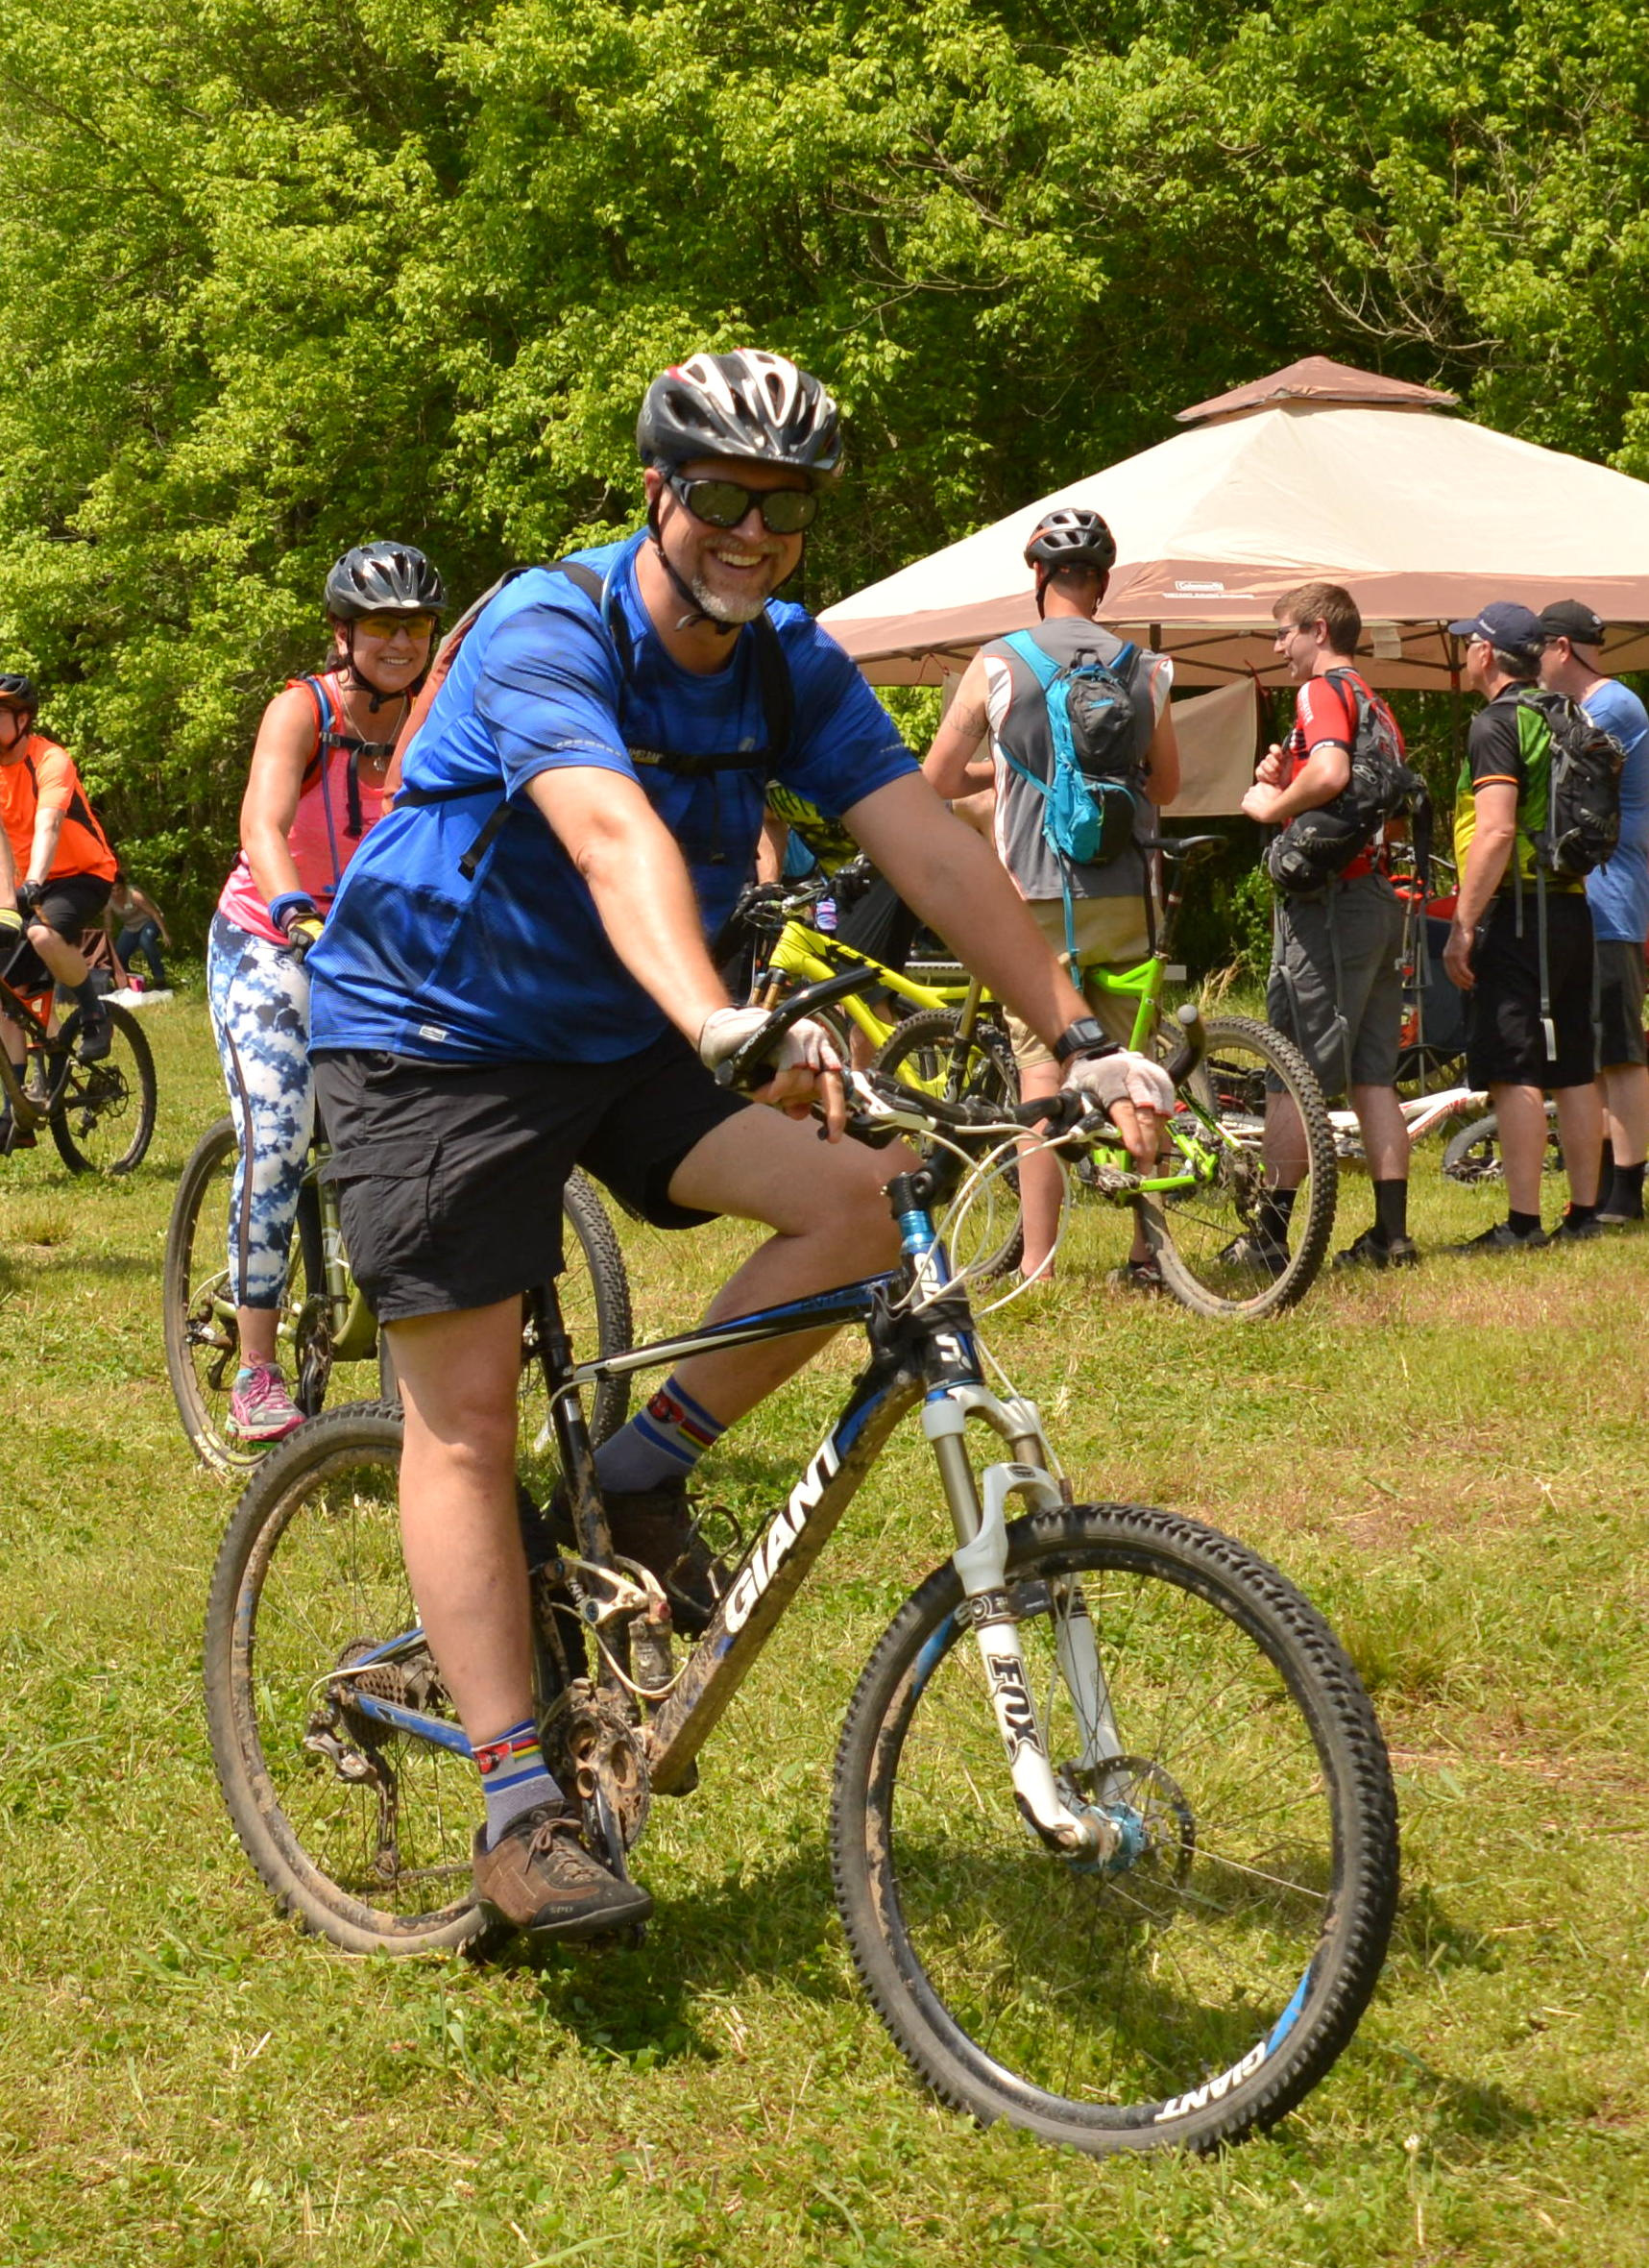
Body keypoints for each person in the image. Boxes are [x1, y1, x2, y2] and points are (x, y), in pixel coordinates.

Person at [304, 349, 1176, 1944]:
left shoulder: (787, 664)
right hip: (434, 1037)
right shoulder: (548, 628)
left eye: (785, 507)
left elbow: (927, 846)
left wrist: (1076, 1032)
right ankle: (516, 1804)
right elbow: (609, 830)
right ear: (659, 490)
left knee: (869, 1201)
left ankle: (643, 1469)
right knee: (467, 1416)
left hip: (625, 1026)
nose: (753, 531)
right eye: (720, 495)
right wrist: (721, 1018)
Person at [206, 543, 445, 1440]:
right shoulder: (300, 709)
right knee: (276, 1139)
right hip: (271, 939)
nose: (401, 642)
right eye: (383, 625)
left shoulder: (432, 712)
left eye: (416, 626)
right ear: (343, 633)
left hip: (378, 948)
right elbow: (262, 824)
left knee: (438, 1130)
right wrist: (294, 910)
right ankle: (256, 1369)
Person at [922, 506, 1179, 1285]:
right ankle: (1149, 1254)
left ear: (1038, 577)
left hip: (1034, 895)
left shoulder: (998, 662)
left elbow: (936, 779)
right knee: (1132, 1067)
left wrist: (1000, 772)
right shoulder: (1146, 667)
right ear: (1102, 584)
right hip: (1128, 894)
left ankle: (1037, 1260)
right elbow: (1166, 785)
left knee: (1040, 1069)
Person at [1242, 583, 1417, 1270]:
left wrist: (1270, 804)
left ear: (1318, 629)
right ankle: (1390, 1236)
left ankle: (1269, 1237)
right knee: (1373, 1075)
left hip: (1331, 906)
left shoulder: (1320, 690)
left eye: (1283, 632)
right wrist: (1288, 773)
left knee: (1292, 1068)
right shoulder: (1374, 702)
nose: (1277, 647)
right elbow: (1374, 800)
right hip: (1378, 896)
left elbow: (1332, 771)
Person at [1442, 601, 1601, 1250]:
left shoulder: (1496, 723)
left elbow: (1496, 829)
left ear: (1486, 653)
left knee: (1515, 1069)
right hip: (1570, 905)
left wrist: (1462, 924)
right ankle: (1586, 1213)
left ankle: (1522, 1223)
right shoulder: (1566, 713)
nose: (1464, 654)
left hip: (1516, 912)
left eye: (1468, 644)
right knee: (1574, 1066)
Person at [1537, 599, 1649, 1226]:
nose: (1532, 662)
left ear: (1561, 647)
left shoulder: (1611, 709)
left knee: (1621, 1050)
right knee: (1593, 1047)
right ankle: (1606, 1187)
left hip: (1610, 899)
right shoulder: (1593, 706)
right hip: (1590, 898)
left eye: (1537, 649)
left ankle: (1627, 1193)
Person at [0, 672, 121, 1151]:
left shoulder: (50, 759)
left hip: (81, 874)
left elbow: (48, 824)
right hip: (24, 883)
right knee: (7, 994)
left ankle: (94, 1013)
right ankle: (18, 1111)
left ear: (23, 720)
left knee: (43, 934)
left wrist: (33, 883)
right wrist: (10, 902)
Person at [108, 871, 172, 991]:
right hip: (130, 927)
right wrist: (110, 946)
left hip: (149, 921)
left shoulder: (134, 895)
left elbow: (154, 913)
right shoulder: (109, 901)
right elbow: (108, 928)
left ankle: (159, 978)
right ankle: (129, 979)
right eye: (113, 890)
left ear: (124, 887)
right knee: (119, 954)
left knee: (145, 941)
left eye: (119, 890)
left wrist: (165, 934)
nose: (116, 893)